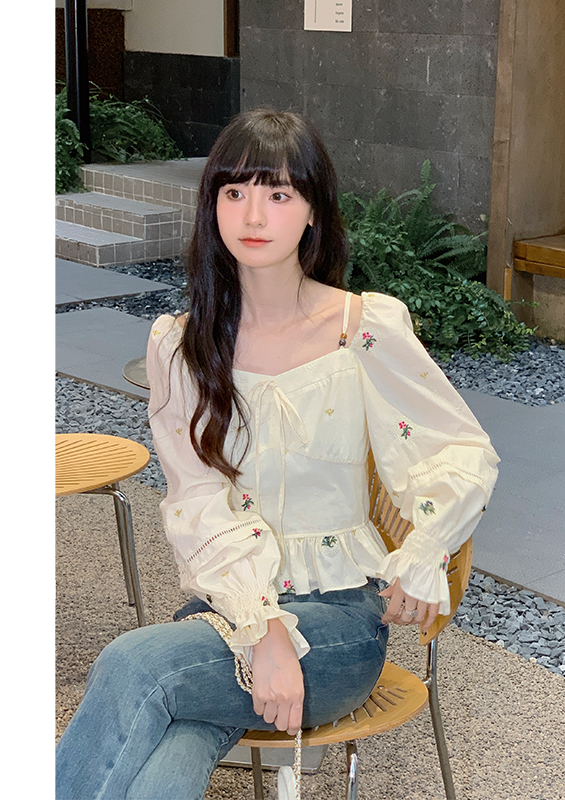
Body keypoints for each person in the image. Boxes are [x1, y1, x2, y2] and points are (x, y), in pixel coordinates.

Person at [55, 108, 499, 800]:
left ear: (313, 210)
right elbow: (197, 501)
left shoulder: (364, 329)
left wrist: (423, 550)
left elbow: (463, 450)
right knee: (176, 734)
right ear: (212, 207)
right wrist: (264, 632)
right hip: (232, 610)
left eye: (279, 193)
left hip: (342, 623)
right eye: (234, 192)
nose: (254, 215)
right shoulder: (181, 347)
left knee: (134, 667)